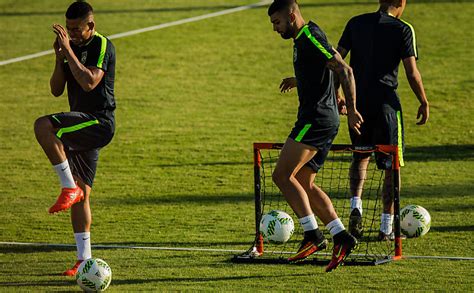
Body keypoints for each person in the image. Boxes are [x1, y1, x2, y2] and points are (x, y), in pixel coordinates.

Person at [267, 0, 364, 272]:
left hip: (315, 119)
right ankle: (341, 236)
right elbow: (324, 68)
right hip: (322, 117)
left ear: (291, 15)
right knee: (303, 181)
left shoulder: (309, 35)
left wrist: (353, 109)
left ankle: (312, 235)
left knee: (281, 175)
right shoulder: (303, 38)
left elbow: (344, 69)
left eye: (277, 22)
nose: (275, 29)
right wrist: (302, 82)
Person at [34, 1, 116, 276]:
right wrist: (59, 58)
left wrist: (69, 51)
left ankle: (68, 187)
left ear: (90, 25)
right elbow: (57, 89)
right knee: (83, 196)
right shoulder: (70, 49)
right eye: (68, 29)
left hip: (98, 122)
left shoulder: (101, 45)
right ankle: (83, 260)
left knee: (44, 127)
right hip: (80, 122)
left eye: (76, 29)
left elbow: (90, 81)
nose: (71, 33)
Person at [336, 0, 429, 240]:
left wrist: (338, 94)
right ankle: (385, 227)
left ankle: (356, 206)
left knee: (360, 156)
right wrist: (423, 100)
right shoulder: (402, 29)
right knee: (391, 166)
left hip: (359, 104)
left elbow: (338, 62)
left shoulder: (355, 23)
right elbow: (411, 72)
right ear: (400, 2)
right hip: (387, 107)